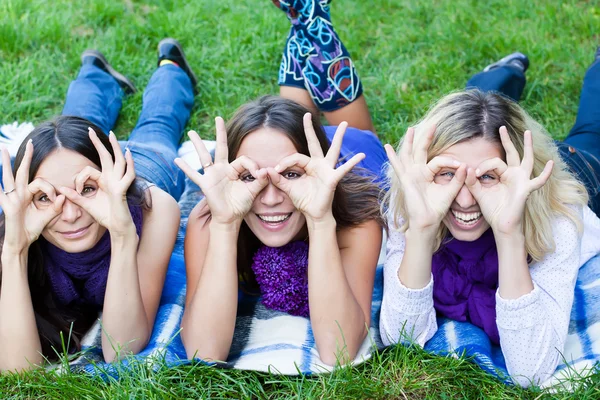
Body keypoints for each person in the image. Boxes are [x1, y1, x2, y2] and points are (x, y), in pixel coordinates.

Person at [177, 0, 386, 365]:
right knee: (294, 118)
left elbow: (341, 351)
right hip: (300, 146)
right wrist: (226, 226)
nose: (271, 197)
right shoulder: (209, 220)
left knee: (346, 127)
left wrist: (320, 221)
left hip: (353, 149)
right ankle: (304, 19)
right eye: (250, 176)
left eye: (290, 174)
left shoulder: (357, 216)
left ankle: (309, 21)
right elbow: (203, 351)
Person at [379, 50, 600, 387]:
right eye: (448, 173)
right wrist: (421, 230)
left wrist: (509, 231)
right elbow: (402, 337)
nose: (466, 199)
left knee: (591, 129)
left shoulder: (557, 219)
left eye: (486, 177)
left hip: (574, 170)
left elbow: (532, 369)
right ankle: (503, 72)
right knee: (480, 112)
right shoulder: (414, 197)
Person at [0, 38, 196, 371]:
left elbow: (121, 350)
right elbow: (17, 369)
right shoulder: (19, 222)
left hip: (143, 172)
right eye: (48, 196)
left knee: (155, 128)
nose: (72, 214)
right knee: (74, 121)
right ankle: (95, 71)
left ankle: (171, 68)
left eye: (86, 190)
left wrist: (122, 234)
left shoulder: (154, 208)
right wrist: (15, 250)